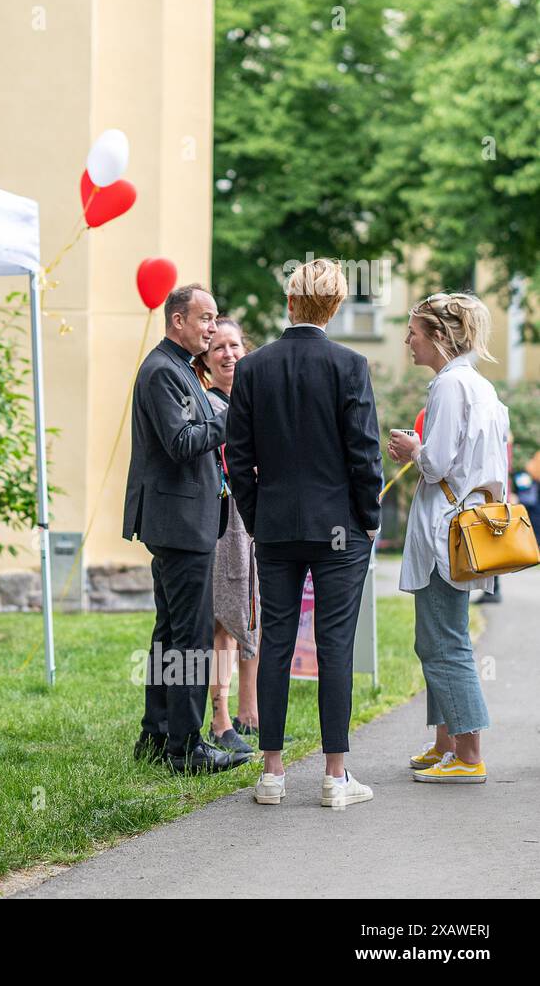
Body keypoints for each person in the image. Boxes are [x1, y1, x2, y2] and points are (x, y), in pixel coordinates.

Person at [225, 258, 383, 808]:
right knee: (335, 646)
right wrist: (370, 518)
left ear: (290, 302)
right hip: (340, 528)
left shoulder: (252, 368)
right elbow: (364, 452)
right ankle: (335, 777)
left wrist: (257, 510)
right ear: (335, 308)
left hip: (275, 528)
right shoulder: (351, 364)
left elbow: (237, 458)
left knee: (277, 641)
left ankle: (271, 773)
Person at [123, 284, 250, 775]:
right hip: (178, 523)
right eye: (206, 318)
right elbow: (181, 441)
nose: (213, 328)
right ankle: (186, 748)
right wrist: (234, 415)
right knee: (191, 638)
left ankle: (156, 736)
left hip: (185, 520)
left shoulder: (180, 370)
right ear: (178, 320)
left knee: (169, 634)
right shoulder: (161, 372)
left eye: (216, 318)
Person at [387, 292, 507, 784]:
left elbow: (436, 464)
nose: (407, 341)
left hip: (446, 532)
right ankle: (446, 743)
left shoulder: (448, 386)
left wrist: (412, 447)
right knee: (436, 637)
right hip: (469, 526)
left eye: (414, 333)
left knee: (444, 641)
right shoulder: (480, 387)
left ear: (439, 337)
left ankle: (468, 752)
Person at [194, 317, 257, 756]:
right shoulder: (208, 405)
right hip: (224, 516)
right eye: (218, 347)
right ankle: (220, 718)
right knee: (222, 620)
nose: (229, 353)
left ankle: (248, 714)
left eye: (235, 345)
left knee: (253, 610)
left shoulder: (253, 403)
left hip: (255, 517)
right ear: (205, 359)